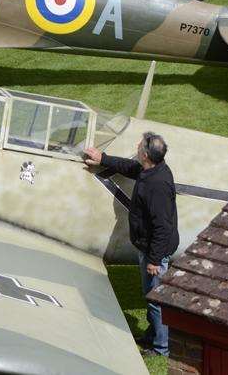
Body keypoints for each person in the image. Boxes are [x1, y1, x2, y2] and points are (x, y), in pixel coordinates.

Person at [83, 132, 178, 357]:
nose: (136, 146)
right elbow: (131, 168)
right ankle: (152, 335)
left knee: (156, 300)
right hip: (147, 247)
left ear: (145, 154)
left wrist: (155, 259)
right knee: (149, 295)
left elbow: (163, 227)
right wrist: (103, 158)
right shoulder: (152, 169)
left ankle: (160, 348)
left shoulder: (157, 185)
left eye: (139, 146)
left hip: (155, 251)